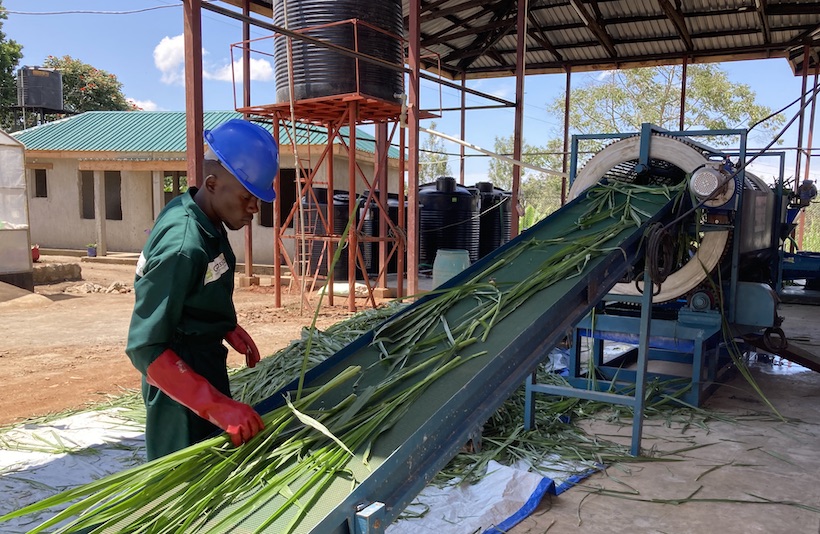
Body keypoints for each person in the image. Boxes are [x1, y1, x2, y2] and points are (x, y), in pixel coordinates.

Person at [125, 119, 279, 460]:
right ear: (212, 184)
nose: (255, 208)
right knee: (183, 476)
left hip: (204, 360)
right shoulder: (182, 246)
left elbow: (201, 282)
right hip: (178, 382)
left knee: (217, 464)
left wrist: (223, 325)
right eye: (247, 197)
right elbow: (145, 347)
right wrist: (218, 407)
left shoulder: (208, 218)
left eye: (258, 198)